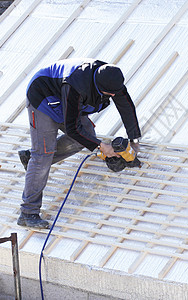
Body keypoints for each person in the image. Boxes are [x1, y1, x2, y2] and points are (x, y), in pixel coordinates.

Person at [17, 58, 141, 229]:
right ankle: (27, 213)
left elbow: (126, 107)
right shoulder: (75, 85)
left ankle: (30, 160)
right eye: (109, 94)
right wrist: (101, 147)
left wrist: (134, 141)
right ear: (99, 87)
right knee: (43, 155)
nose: (113, 96)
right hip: (43, 99)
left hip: (67, 100)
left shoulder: (111, 79)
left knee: (87, 136)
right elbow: (73, 128)